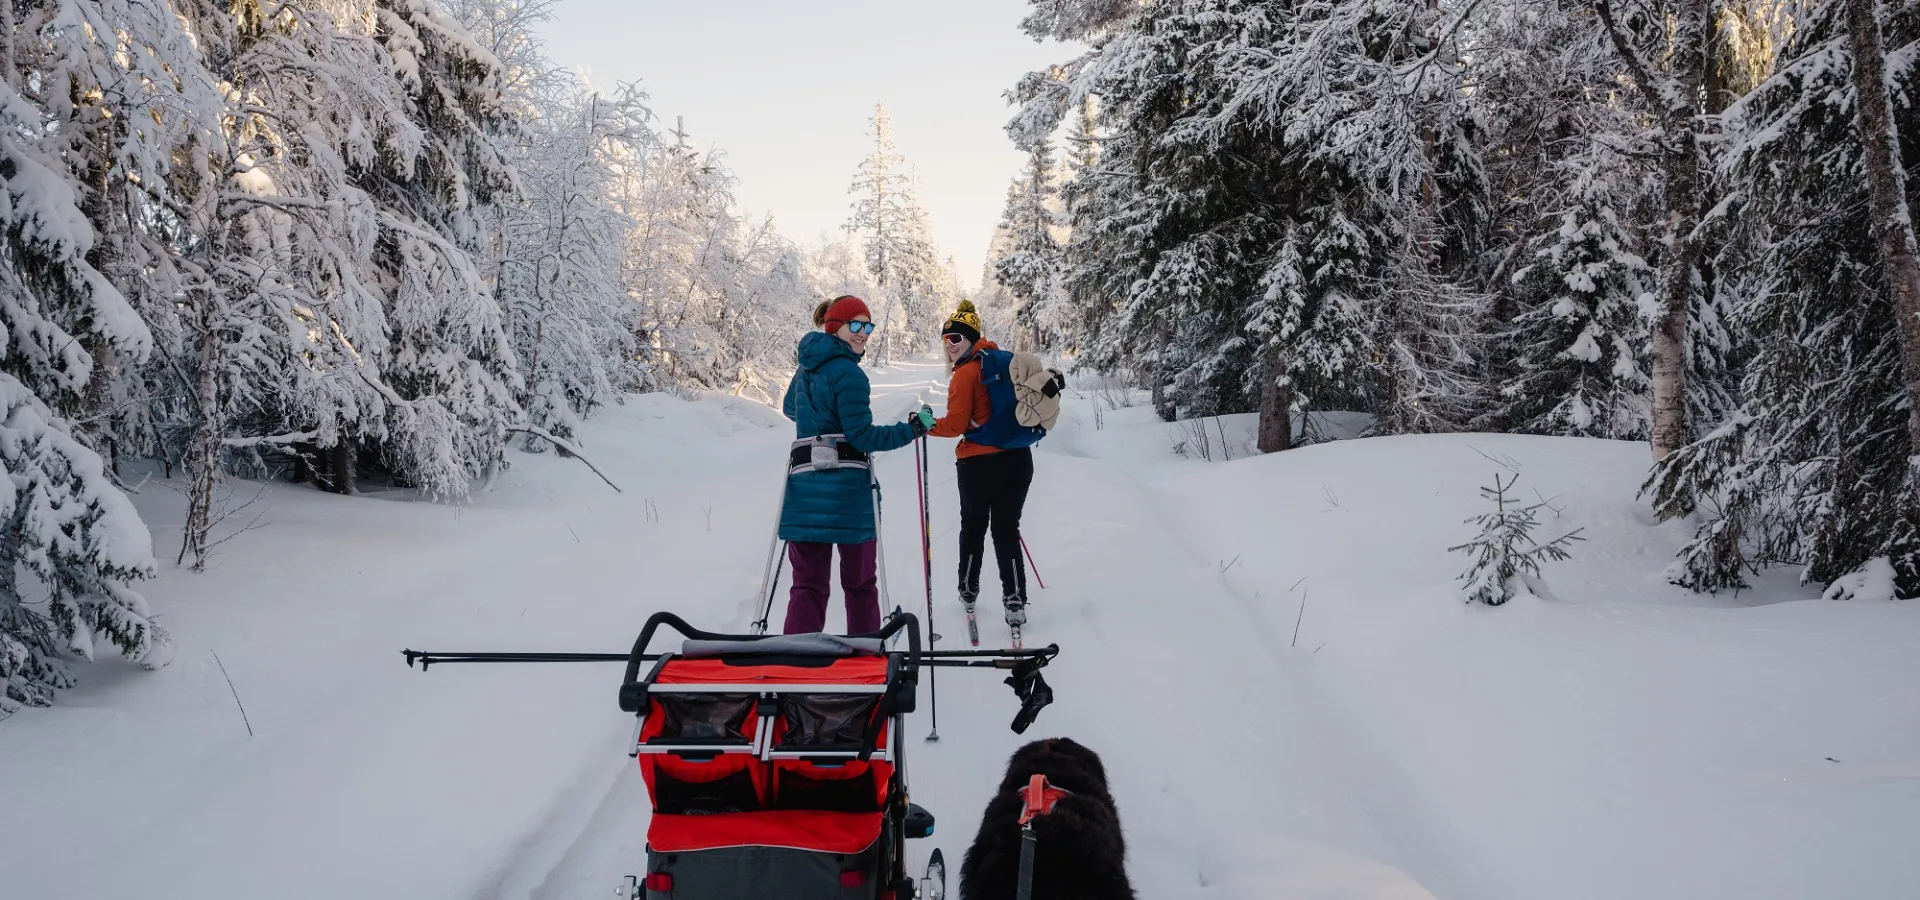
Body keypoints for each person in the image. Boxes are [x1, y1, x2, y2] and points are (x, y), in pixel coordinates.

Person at [779, 295, 934, 635]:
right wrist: (913, 429)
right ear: (835, 326)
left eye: (868, 326)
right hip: (847, 492)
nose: (863, 333)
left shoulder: (805, 368)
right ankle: (863, 660)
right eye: (856, 325)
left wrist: (819, 422)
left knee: (807, 585)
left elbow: (791, 409)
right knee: (860, 582)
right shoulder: (850, 374)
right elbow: (863, 437)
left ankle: (797, 664)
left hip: (803, 489)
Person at [924, 300, 1033, 628]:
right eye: (946, 339)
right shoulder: (1007, 363)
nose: (950, 345)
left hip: (977, 467)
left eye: (956, 338)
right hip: (1017, 461)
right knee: (1006, 529)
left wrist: (926, 424)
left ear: (971, 338)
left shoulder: (965, 374)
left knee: (973, 526)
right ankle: (1015, 599)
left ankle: (968, 589)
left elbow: (956, 426)